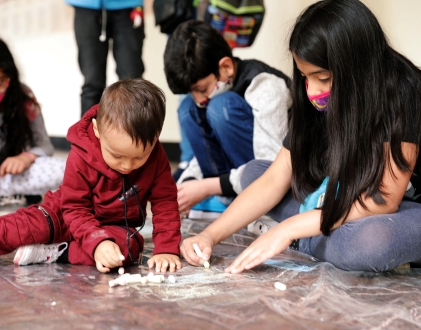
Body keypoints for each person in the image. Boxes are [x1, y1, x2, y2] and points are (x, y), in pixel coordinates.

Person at [180, 0, 421, 273]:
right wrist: (209, 235)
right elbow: (274, 178)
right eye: (306, 77)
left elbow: (383, 200)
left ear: (358, 67)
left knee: (374, 242)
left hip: (400, 210)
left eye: (324, 78)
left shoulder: (405, 92)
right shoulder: (315, 96)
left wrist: (286, 230)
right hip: (342, 198)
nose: (312, 91)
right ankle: (318, 234)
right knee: (254, 173)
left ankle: (306, 238)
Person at [0, 78, 182, 273]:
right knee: (20, 228)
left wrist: (166, 249)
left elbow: (166, 203)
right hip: (65, 214)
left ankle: (58, 252)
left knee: (127, 248)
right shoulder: (81, 154)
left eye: (140, 157)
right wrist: (97, 240)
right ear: (97, 130)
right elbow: (74, 208)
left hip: (115, 226)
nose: (127, 166)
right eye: (117, 155)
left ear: (156, 139)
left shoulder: (157, 157)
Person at [163, 20, 291, 216]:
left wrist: (207, 187)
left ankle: (235, 198)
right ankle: (226, 198)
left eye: (202, 89)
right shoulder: (203, 99)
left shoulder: (266, 86)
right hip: (233, 182)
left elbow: (271, 168)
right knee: (187, 108)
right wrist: (189, 185)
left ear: (226, 67)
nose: (199, 100)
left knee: (220, 107)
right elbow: (207, 147)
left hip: (273, 181)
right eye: (192, 92)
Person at [0, 36, 65, 223]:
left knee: (64, 169)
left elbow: (44, 145)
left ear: (10, 75)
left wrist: (24, 157)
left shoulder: (24, 97)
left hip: (5, 174)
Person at [65, 0, 145, 117]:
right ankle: (88, 134)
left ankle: (135, 134)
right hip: (87, 6)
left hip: (128, 6)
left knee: (132, 83)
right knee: (92, 83)